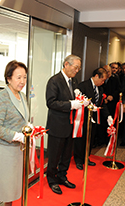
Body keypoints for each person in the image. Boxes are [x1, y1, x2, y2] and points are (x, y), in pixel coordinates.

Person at [0, 60, 29, 206]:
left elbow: (23, 119)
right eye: (18, 77)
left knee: (12, 184)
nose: (22, 81)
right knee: (0, 184)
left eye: (24, 77)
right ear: (8, 78)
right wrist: (16, 136)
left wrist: (29, 127)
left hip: (18, 148)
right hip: (4, 148)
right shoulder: (1, 98)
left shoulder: (22, 96)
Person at [45, 55, 82, 195]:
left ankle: (62, 176)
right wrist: (71, 104)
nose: (77, 70)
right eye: (75, 67)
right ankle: (52, 179)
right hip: (57, 125)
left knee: (66, 154)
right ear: (66, 64)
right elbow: (51, 102)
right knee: (54, 155)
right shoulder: (54, 81)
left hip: (71, 124)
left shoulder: (74, 81)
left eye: (78, 68)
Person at [74, 68, 113, 168]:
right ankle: (78, 159)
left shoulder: (100, 88)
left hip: (94, 118)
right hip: (83, 117)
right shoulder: (83, 86)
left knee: (90, 138)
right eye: (102, 79)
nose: (103, 82)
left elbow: (101, 104)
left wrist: (108, 115)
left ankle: (86, 157)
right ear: (96, 76)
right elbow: (79, 102)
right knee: (81, 139)